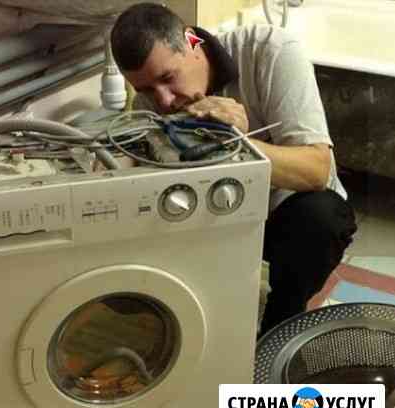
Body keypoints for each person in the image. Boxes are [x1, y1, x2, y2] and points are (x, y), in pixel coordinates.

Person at [110, 3, 357, 335]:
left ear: (192, 41)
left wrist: (237, 143)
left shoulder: (271, 52)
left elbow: (316, 170)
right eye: (147, 90)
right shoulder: (151, 103)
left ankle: (280, 323)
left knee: (321, 219)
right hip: (216, 211)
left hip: (284, 213)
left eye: (168, 78)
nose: (165, 101)